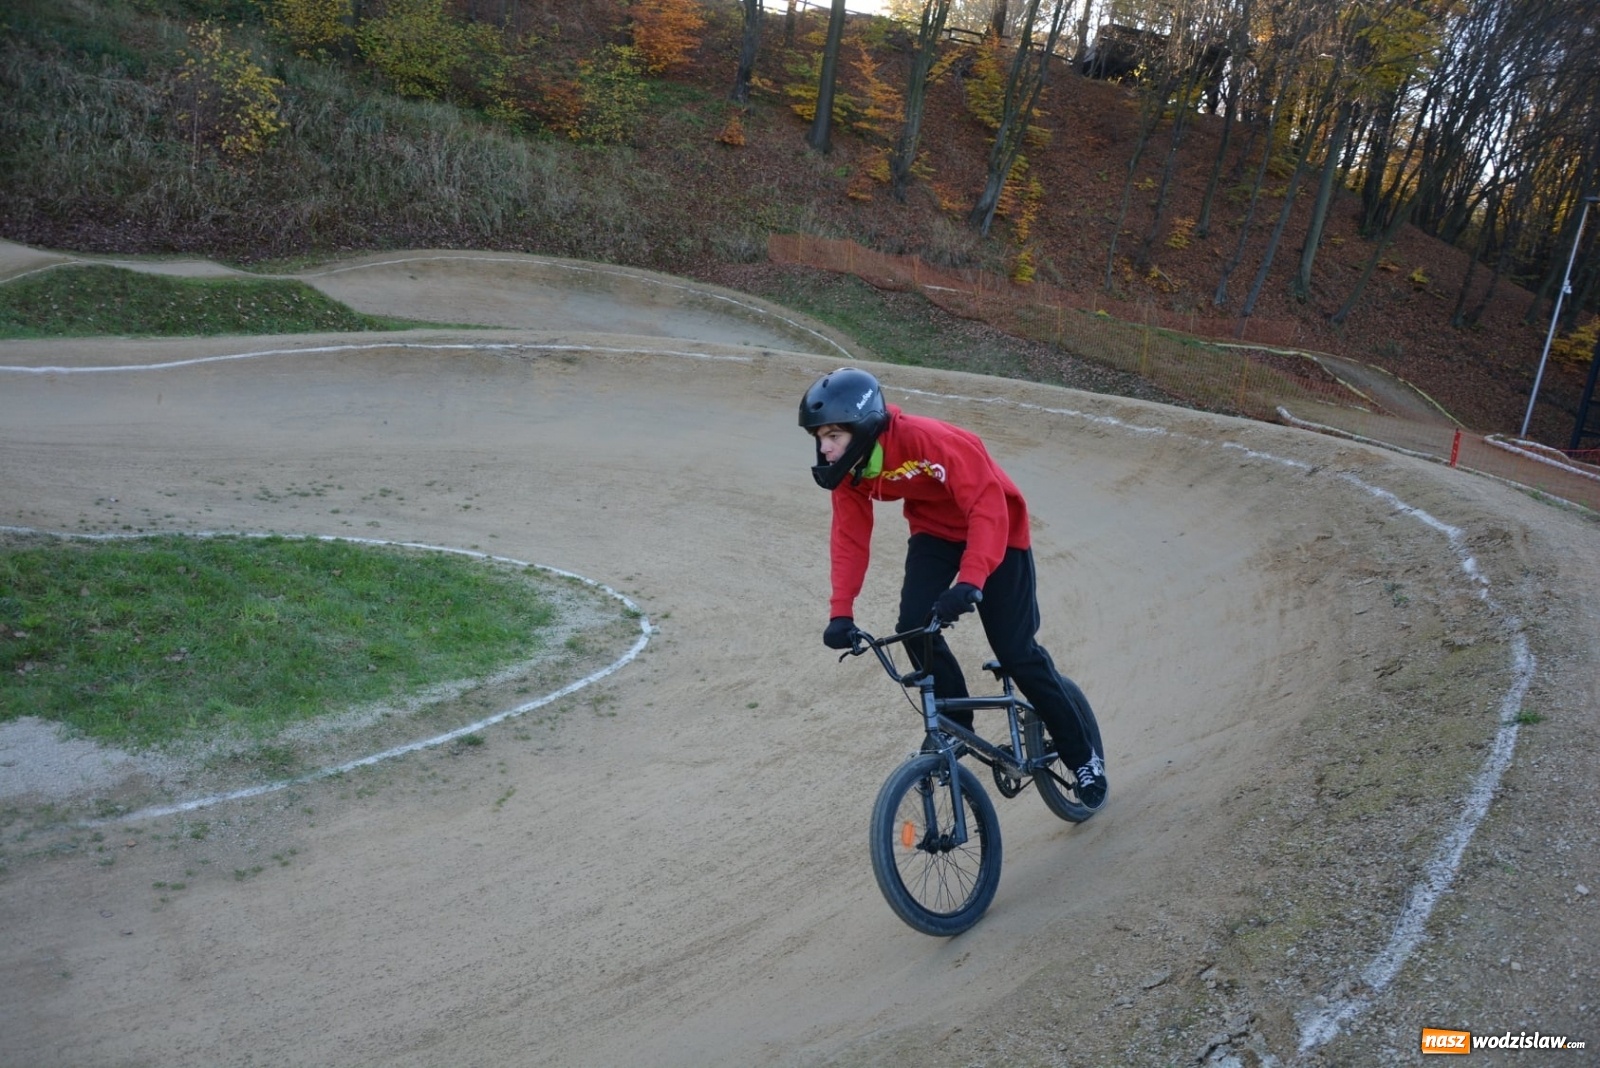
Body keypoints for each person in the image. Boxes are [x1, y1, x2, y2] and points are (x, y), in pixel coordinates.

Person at [799, 366, 1108, 810]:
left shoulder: (929, 440)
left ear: (862, 425)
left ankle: (1084, 759)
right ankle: (957, 722)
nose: (824, 447)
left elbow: (986, 504)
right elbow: (849, 540)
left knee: (1017, 652)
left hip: (998, 530)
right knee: (913, 626)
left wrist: (971, 581)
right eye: (819, 437)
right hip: (936, 534)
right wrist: (840, 612)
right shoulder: (850, 472)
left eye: (833, 436)